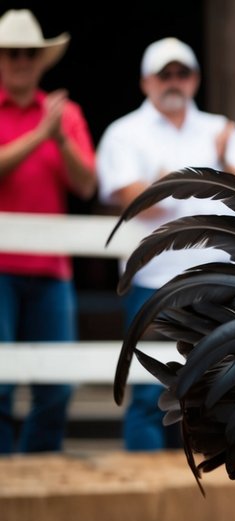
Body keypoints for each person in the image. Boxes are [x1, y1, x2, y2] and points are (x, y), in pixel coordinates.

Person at [97, 37, 235, 452]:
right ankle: (144, 498)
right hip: (154, 283)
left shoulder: (219, 128)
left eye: (182, 73)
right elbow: (127, 198)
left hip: (218, 283)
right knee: (146, 394)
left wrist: (181, 180)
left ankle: (193, 500)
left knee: (212, 393)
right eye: (165, 74)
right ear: (146, 82)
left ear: (194, 79)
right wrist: (212, 182)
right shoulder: (124, 132)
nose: (174, 81)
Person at [0, 9, 96, 454]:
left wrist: (58, 137)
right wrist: (42, 133)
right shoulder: (51, 118)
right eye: (12, 53)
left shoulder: (67, 116)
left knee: (56, 387)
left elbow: (87, 184)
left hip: (52, 272)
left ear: (42, 60)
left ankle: (35, 474)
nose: (21, 60)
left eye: (30, 53)